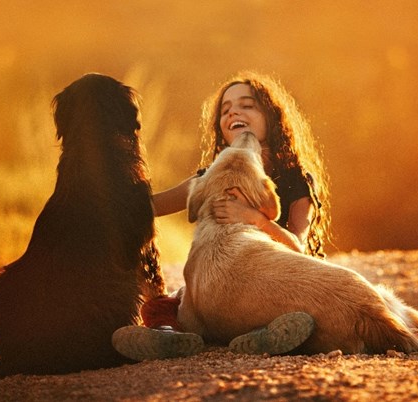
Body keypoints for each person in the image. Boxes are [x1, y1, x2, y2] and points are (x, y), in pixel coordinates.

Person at [112, 71, 331, 361]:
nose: (234, 112)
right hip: (223, 290)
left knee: (301, 313)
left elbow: (298, 248)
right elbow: (148, 208)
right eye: (226, 110)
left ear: (272, 118)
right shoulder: (211, 178)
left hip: (273, 285)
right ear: (221, 129)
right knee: (163, 305)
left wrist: (254, 217)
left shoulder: (295, 181)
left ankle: (261, 336)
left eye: (247, 105)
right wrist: (108, 182)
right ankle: (168, 336)